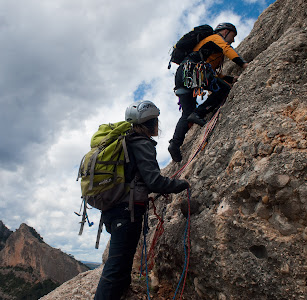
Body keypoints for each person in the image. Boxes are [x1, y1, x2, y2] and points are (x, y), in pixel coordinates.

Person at [94, 100, 190, 300]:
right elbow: (154, 181)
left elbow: (138, 177)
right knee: (116, 265)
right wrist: (182, 184)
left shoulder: (127, 141)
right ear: (151, 123)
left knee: (123, 260)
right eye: (156, 121)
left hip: (113, 210)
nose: (158, 125)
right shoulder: (142, 143)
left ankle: (122, 293)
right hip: (126, 212)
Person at [168, 22, 249, 162]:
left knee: (187, 112)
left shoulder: (209, 49)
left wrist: (229, 78)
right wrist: (244, 64)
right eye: (232, 35)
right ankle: (198, 113)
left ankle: (174, 145)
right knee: (224, 89)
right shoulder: (215, 38)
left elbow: (211, 75)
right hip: (193, 70)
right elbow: (227, 48)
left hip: (183, 74)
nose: (233, 40)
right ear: (224, 32)